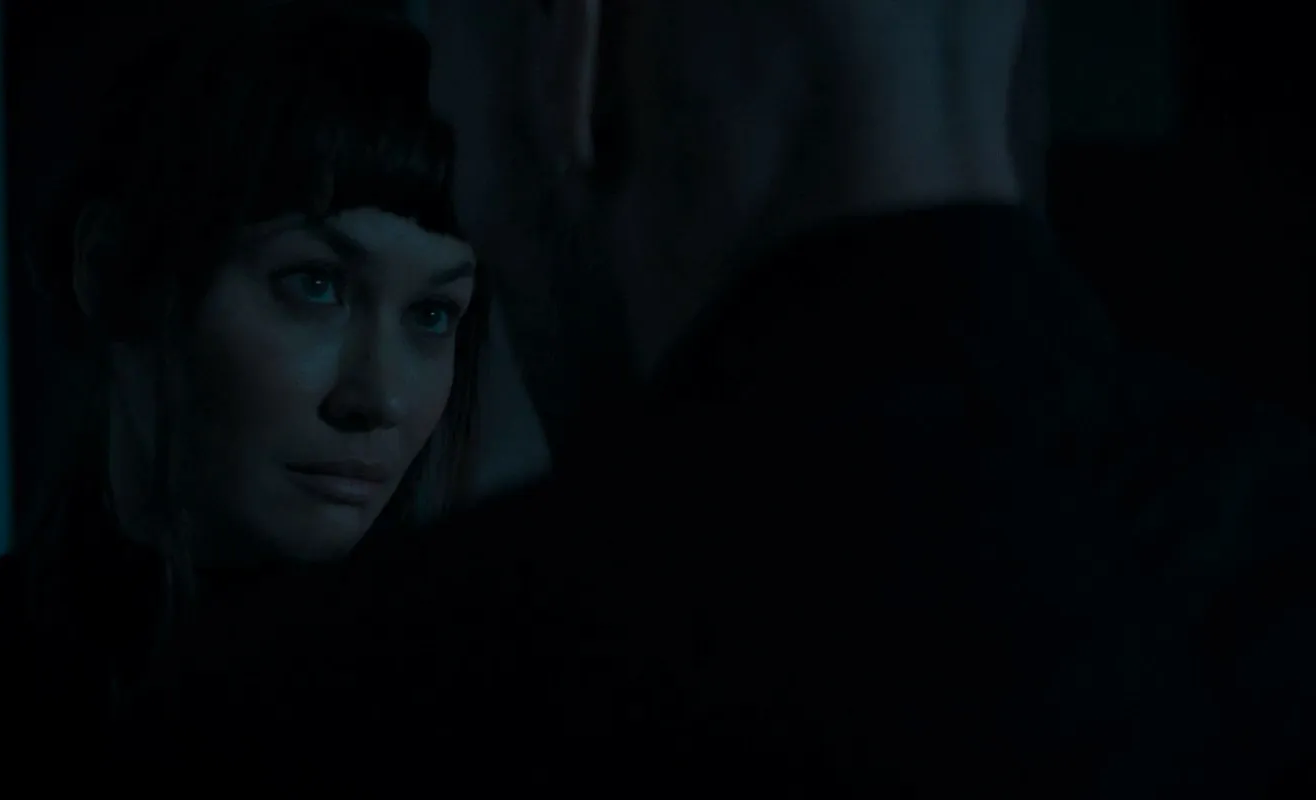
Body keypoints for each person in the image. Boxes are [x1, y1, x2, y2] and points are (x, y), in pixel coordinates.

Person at [115, 1, 1316, 795]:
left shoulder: (342, 718)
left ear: (570, 50)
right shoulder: (1269, 564)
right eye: (314, 283)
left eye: (454, 91)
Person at [0, 6, 493, 797]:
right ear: (112, 273)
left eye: (432, 314)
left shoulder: (498, 730)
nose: (380, 395)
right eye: (314, 284)